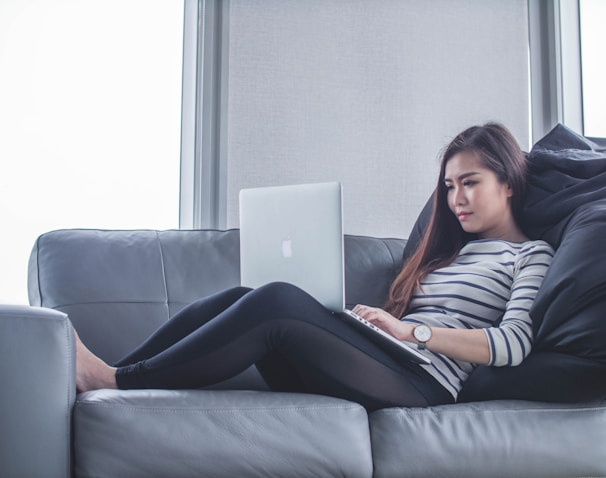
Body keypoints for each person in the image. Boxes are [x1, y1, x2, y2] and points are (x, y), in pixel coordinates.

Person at [76, 123, 554, 410]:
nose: (455, 199)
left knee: (278, 300)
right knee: (247, 296)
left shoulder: (530, 255)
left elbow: (513, 345)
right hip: (384, 361)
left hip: (425, 384)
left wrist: (412, 333)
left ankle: (115, 381)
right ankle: (117, 373)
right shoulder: (449, 253)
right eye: (448, 187)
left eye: (468, 183)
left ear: (508, 183)